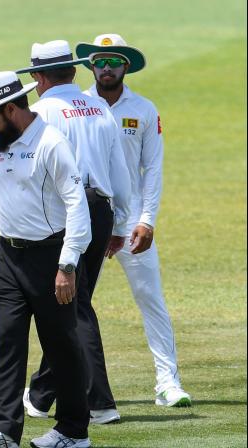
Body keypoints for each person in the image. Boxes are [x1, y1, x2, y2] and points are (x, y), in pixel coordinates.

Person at [0, 71, 92, 448]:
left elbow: (77, 206)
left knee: (60, 345)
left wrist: (67, 264)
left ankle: (74, 431)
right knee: (7, 340)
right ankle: (4, 430)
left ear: (11, 108)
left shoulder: (52, 144)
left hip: (51, 258)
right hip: (8, 258)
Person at [16, 40, 131, 425]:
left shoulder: (41, 111)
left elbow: (34, 172)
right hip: (101, 212)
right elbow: (119, 172)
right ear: (75, 70)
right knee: (69, 303)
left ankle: (99, 402)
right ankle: (41, 394)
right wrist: (120, 223)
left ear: (37, 77)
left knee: (75, 307)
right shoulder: (98, 106)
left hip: (67, 215)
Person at [76, 33, 191, 407]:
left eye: (114, 61)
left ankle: (167, 383)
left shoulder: (143, 109)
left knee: (149, 297)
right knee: (72, 305)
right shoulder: (76, 106)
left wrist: (147, 220)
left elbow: (152, 168)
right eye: (100, 61)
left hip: (132, 223)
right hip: (87, 219)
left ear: (126, 65)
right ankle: (46, 390)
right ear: (91, 66)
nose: (106, 68)